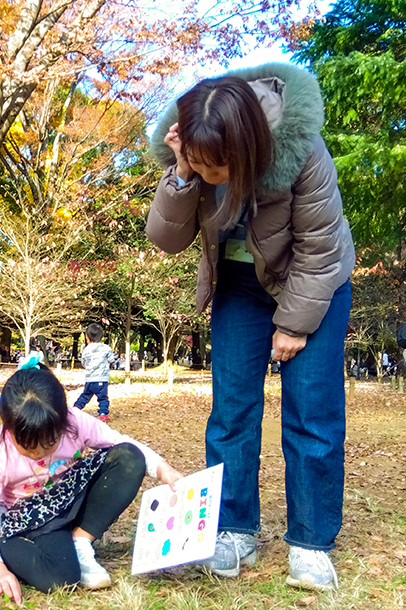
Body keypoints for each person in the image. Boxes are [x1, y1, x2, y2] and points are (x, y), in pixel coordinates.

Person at [145, 63, 356, 591]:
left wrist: (293, 324)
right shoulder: (194, 154)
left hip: (312, 284)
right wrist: (183, 173)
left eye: (215, 166)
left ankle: (310, 542)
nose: (207, 172)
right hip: (239, 286)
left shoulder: (303, 153)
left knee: (312, 413)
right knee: (232, 410)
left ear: (244, 149)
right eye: (196, 158)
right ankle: (233, 527)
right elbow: (166, 239)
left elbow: (322, 249)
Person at [0, 363, 182, 603]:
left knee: (129, 457)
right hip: (29, 515)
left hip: (68, 492)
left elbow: (119, 442)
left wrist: (163, 469)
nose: (38, 453)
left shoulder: (75, 422)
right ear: (8, 429)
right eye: (27, 447)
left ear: (64, 420)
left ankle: (80, 540)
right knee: (61, 578)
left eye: (49, 443)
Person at [72, 323, 117, 421]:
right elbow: (112, 359)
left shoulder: (85, 350)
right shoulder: (105, 348)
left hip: (89, 379)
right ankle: (103, 413)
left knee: (85, 396)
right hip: (102, 379)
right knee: (103, 398)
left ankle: (75, 409)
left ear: (87, 337)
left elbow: (83, 363)